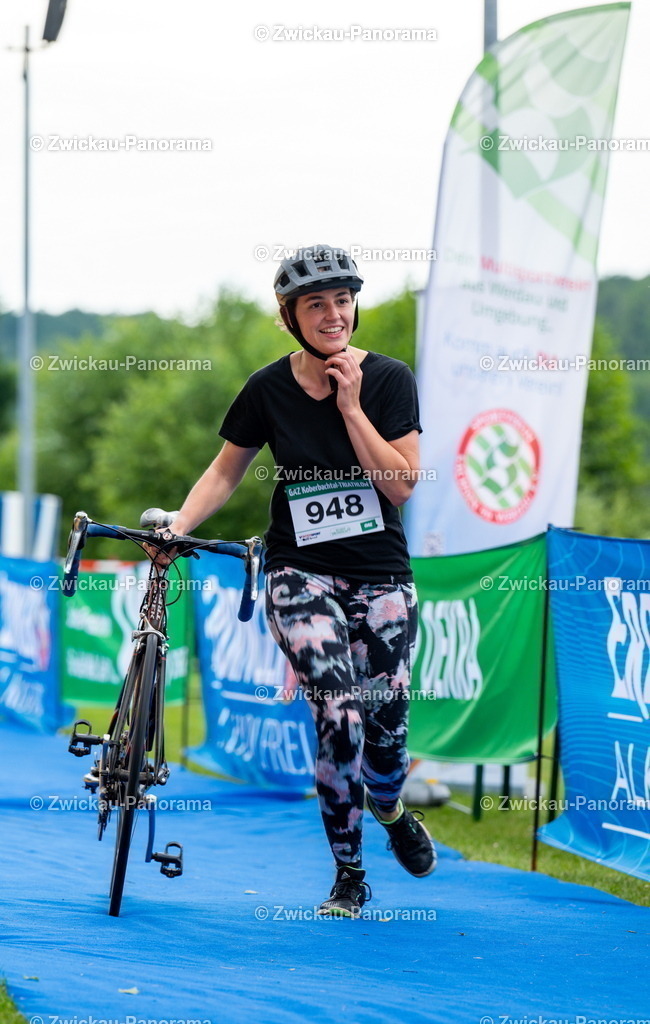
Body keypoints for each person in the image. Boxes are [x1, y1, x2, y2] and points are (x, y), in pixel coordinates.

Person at [158, 245, 436, 917]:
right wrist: (178, 524)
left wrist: (351, 407)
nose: (334, 314)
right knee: (338, 710)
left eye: (342, 301)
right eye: (317, 304)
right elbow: (226, 470)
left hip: (381, 579)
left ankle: (390, 806)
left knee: (386, 726)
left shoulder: (390, 379)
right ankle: (349, 872)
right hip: (299, 572)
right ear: (290, 318)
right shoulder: (267, 388)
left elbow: (399, 485)